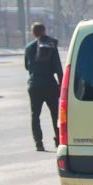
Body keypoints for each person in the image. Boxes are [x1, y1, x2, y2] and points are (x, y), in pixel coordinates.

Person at [24, 22, 64, 152]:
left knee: (35, 115)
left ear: (33, 33)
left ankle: (38, 143)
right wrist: (62, 85)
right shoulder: (52, 45)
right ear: (44, 31)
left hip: (34, 85)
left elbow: (26, 66)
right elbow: (58, 68)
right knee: (55, 114)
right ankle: (58, 140)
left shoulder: (29, 47)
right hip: (50, 85)